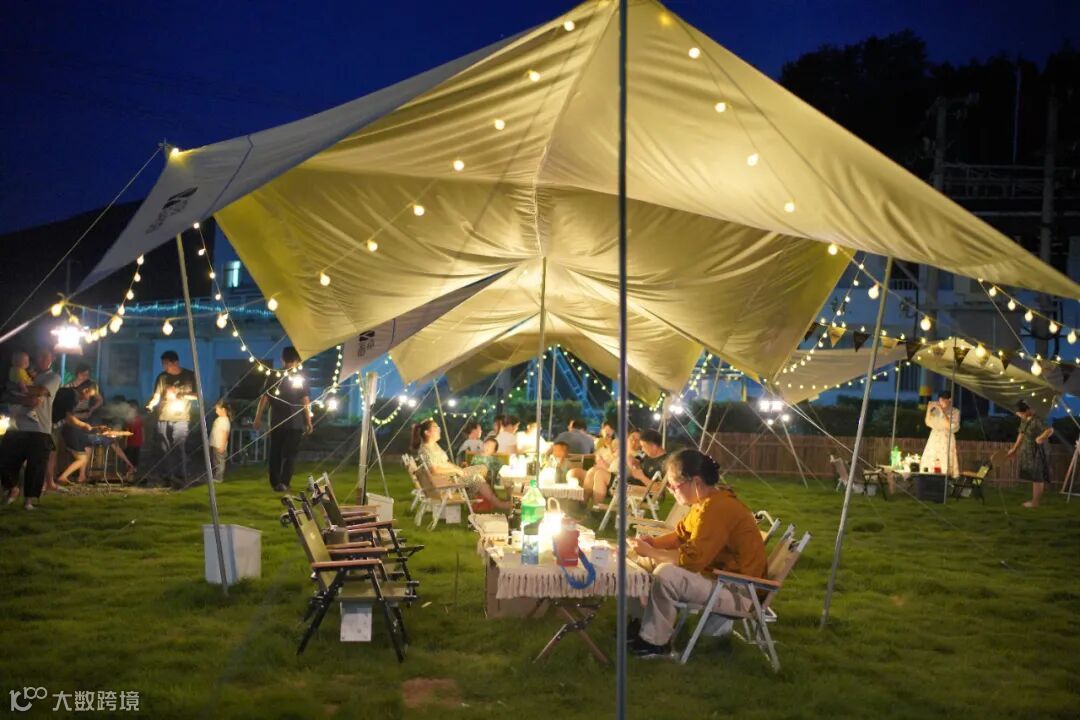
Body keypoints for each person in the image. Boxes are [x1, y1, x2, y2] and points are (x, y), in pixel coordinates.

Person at [627, 449, 767, 658]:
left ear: (696, 482)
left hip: (740, 592)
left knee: (666, 574)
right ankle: (639, 626)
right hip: (720, 579)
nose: (671, 490)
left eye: (674, 485)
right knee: (639, 560)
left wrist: (653, 552)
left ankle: (654, 643)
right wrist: (652, 544)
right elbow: (680, 536)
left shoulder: (718, 508)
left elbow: (692, 560)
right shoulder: (706, 503)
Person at [0, 349, 61, 509]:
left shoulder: (53, 377)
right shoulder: (26, 374)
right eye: (39, 356)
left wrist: (18, 390)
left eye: (45, 356)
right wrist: (22, 395)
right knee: (5, 460)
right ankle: (12, 488)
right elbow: (6, 393)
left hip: (39, 428)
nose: (41, 359)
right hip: (16, 426)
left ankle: (28, 501)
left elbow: (41, 391)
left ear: (52, 359)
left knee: (36, 466)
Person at [412, 418, 510, 511]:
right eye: (435, 428)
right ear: (427, 432)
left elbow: (445, 463)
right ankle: (497, 503)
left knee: (482, 469)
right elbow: (434, 470)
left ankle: (474, 493)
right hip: (445, 481)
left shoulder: (433, 446)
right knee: (477, 478)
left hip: (450, 477)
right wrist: (456, 470)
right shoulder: (425, 450)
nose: (439, 429)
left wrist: (458, 469)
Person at [254, 347, 313, 492]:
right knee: (290, 454)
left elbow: (264, 398)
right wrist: (308, 421)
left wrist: (258, 417)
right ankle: (284, 482)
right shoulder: (300, 378)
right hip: (294, 423)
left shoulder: (274, 375)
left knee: (275, 452)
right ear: (298, 360)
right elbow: (305, 400)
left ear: (282, 359)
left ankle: (275, 483)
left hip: (276, 421)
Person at [147, 350, 197, 487]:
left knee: (178, 446)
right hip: (163, 416)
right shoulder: (162, 377)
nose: (164, 366)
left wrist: (181, 394)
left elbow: (197, 395)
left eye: (166, 363)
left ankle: (180, 476)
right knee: (164, 448)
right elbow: (157, 396)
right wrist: (151, 405)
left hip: (181, 417)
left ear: (175, 362)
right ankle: (167, 476)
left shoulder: (189, 375)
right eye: (163, 364)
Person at [1008, 400, 1054, 508]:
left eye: (1021, 413)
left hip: (1039, 451)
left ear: (1028, 410)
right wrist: (1014, 449)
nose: (1020, 415)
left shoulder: (1037, 420)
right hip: (1029, 451)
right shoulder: (1024, 420)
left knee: (1038, 476)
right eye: (1019, 414)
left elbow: (1050, 430)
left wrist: (1040, 438)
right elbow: (1021, 433)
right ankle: (1034, 501)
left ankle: (1035, 503)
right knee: (1034, 475)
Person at [922, 391, 960, 477]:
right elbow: (928, 422)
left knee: (945, 462)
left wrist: (942, 411)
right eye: (939, 400)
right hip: (934, 439)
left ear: (949, 400)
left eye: (943, 400)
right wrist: (928, 409)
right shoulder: (935, 410)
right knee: (931, 461)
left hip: (946, 440)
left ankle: (946, 480)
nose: (940, 403)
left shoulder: (955, 411)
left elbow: (951, 426)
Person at [209, 399, 232, 484]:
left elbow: (225, 434)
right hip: (215, 445)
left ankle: (219, 477)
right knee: (216, 462)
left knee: (220, 462)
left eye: (217, 409)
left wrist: (222, 446)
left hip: (220, 446)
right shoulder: (219, 419)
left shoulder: (225, 421)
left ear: (223, 410)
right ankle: (216, 476)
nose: (216, 411)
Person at [125, 400, 144, 469]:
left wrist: (143, 438)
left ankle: (134, 468)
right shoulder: (128, 419)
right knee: (130, 454)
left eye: (133, 408)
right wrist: (125, 441)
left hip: (138, 439)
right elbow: (127, 430)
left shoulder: (139, 418)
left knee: (136, 455)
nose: (132, 410)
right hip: (131, 440)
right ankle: (129, 468)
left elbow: (142, 429)